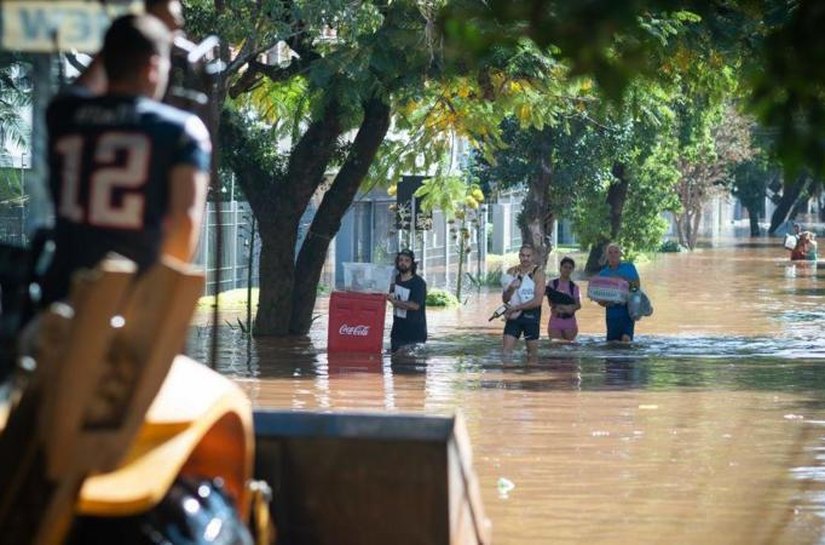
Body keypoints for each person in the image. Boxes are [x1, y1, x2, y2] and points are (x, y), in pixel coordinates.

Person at [40, 14, 210, 306]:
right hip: (130, 307)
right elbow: (185, 226)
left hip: (59, 303)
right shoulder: (181, 130)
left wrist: (122, 42)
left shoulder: (64, 113)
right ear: (153, 67)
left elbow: (83, 87)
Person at [501, 244, 546, 357]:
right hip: (513, 315)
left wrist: (516, 308)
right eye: (523, 255)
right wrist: (511, 288)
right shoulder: (511, 271)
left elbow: (538, 301)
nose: (525, 258)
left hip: (531, 316)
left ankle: (530, 373)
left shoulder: (538, 273)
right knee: (506, 353)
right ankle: (507, 373)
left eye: (528, 256)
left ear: (533, 257)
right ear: (519, 256)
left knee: (532, 355)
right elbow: (505, 299)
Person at [597, 243, 640, 343]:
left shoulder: (629, 267)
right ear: (607, 256)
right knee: (612, 344)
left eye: (616, 252)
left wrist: (623, 281)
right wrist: (605, 302)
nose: (613, 255)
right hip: (611, 313)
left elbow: (636, 288)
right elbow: (599, 299)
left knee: (626, 340)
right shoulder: (603, 274)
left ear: (620, 254)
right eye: (610, 252)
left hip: (627, 311)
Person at [386, 249, 428, 353]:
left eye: (406, 260)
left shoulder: (419, 283)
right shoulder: (396, 280)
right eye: (400, 260)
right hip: (397, 333)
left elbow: (415, 306)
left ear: (412, 264)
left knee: (411, 366)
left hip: (415, 334)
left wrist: (394, 302)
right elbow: (385, 289)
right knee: (395, 365)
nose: (403, 263)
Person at [546, 256, 582, 341]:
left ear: (572, 270)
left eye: (570, 268)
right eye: (565, 267)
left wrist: (569, 308)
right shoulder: (552, 284)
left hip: (569, 321)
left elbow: (578, 305)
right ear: (560, 268)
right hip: (555, 320)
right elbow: (550, 303)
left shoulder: (574, 287)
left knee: (569, 350)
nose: (567, 270)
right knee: (555, 347)